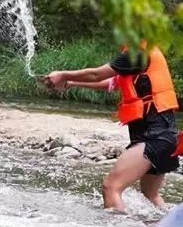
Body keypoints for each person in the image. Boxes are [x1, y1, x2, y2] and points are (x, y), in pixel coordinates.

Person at [45, 44, 180, 211]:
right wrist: (72, 83)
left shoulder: (138, 53)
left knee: (111, 187)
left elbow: (96, 74)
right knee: (150, 195)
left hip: (154, 137)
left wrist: (62, 74)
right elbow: (111, 83)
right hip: (166, 137)